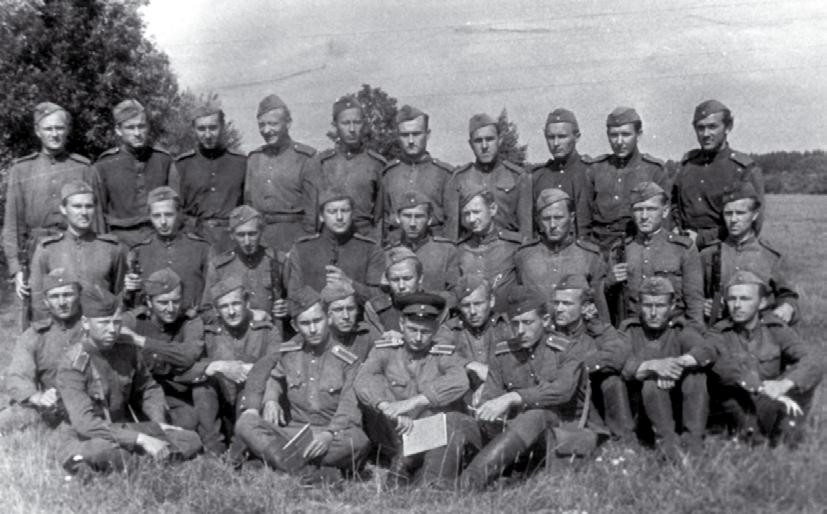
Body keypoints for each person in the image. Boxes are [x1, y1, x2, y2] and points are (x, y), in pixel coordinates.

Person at [57, 286, 201, 479]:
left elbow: (148, 388)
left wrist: (158, 424)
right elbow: (85, 424)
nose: (112, 330)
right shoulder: (73, 364)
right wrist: (141, 439)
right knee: (103, 450)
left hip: (125, 428)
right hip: (89, 436)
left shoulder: (127, 350)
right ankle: (136, 460)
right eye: (104, 323)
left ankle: (123, 464)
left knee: (191, 439)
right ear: (85, 323)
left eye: (116, 323)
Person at [235, 287, 370, 485]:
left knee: (358, 442)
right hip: (294, 432)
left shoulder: (348, 360)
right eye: (306, 323)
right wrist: (271, 399)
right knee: (245, 424)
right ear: (295, 326)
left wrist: (328, 434)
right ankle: (311, 472)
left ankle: (278, 465)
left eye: (318, 321)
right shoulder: (289, 352)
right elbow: (274, 376)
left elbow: (349, 407)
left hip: (332, 435)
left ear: (328, 318)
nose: (313, 329)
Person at [461, 286, 585, 490]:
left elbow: (563, 391)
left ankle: (470, 482)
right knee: (458, 421)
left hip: (559, 433)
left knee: (535, 415)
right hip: (512, 435)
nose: (520, 331)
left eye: (527, 323)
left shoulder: (566, 349)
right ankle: (433, 479)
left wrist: (513, 397)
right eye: (515, 324)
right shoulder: (503, 353)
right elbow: (490, 397)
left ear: (545, 321)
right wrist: (488, 411)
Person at [354, 293, 479, 488]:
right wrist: (386, 406)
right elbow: (364, 379)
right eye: (412, 330)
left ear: (436, 329)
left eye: (426, 332)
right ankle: (408, 470)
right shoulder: (385, 351)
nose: (418, 338)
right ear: (401, 324)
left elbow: (459, 380)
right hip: (395, 437)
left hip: (435, 440)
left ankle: (412, 472)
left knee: (448, 426)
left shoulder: (443, 353)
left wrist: (414, 402)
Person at [3, 102, 104, 329]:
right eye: (48, 129)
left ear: (67, 130)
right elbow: (12, 225)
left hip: (75, 248)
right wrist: (16, 269)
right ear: (38, 131)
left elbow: (97, 222)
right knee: (39, 316)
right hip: (36, 252)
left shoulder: (84, 168)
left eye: (59, 128)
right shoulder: (21, 169)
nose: (55, 134)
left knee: (79, 313)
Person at [709, 271, 822, 448]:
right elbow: (725, 368)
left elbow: (813, 359)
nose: (737, 305)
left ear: (761, 303)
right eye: (732, 299)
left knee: (802, 375)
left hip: (771, 400)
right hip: (738, 405)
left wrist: (784, 384)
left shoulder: (775, 328)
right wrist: (761, 388)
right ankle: (750, 437)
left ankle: (786, 435)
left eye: (745, 299)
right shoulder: (718, 333)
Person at [179, 277, 281, 456]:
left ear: (247, 302)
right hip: (220, 405)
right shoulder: (208, 333)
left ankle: (238, 454)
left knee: (250, 386)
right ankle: (214, 451)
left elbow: (278, 361)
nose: (231, 312)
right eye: (224, 307)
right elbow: (187, 365)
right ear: (217, 310)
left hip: (250, 404)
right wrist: (217, 366)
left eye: (236, 304)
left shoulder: (266, 331)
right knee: (203, 387)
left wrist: (254, 369)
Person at [620, 277, 716, 460]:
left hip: (677, 409)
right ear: (639, 306)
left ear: (672, 306)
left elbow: (705, 350)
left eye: (660, 305)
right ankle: (668, 447)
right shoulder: (630, 330)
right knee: (651, 382)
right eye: (648, 305)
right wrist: (654, 367)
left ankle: (693, 445)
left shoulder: (681, 329)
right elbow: (622, 363)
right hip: (641, 413)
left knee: (696, 376)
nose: (654, 313)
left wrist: (674, 365)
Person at [119, 268, 208, 441]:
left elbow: (187, 355)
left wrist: (142, 341)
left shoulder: (190, 322)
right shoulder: (133, 320)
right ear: (149, 302)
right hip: (137, 392)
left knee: (188, 420)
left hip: (173, 392)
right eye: (163, 302)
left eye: (176, 301)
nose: (171, 309)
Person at [671, 100, 765, 250]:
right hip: (685, 250)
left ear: (728, 127)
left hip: (724, 251)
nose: (706, 134)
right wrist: (676, 230)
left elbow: (753, 223)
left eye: (712, 127)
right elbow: (674, 206)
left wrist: (703, 238)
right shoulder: (687, 165)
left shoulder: (743, 169)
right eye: (700, 128)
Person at [699, 181, 798, 325]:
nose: (733, 220)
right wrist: (703, 306)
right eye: (728, 213)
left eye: (740, 213)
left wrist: (788, 307)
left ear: (754, 215)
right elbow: (690, 296)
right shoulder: (708, 255)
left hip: (761, 331)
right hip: (720, 331)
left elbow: (788, 296)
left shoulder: (770, 256)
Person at [548, 276, 632, 443]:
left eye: (567, 304)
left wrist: (580, 366)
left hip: (591, 397)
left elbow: (616, 356)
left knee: (612, 381)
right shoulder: (547, 331)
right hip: (558, 399)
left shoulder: (596, 329)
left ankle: (624, 440)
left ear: (585, 307)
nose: (559, 309)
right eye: (556, 303)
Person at [29, 180, 126, 320]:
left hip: (99, 328)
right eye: (77, 206)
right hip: (62, 329)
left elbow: (119, 293)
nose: (84, 212)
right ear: (63, 209)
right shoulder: (47, 249)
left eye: (89, 206)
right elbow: (38, 298)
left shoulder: (112, 248)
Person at [0, 268, 82, 433]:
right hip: (54, 408)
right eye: (54, 296)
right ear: (45, 301)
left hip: (93, 405)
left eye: (67, 295)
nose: (62, 302)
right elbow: (17, 376)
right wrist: (37, 397)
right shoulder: (34, 335)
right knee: (7, 420)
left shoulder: (95, 328)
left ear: (79, 295)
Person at [609, 181, 704, 325]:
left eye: (651, 209)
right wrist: (609, 282)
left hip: (672, 330)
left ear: (665, 211)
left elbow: (694, 302)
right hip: (633, 331)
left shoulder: (683, 248)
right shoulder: (620, 250)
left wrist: (694, 334)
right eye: (639, 209)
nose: (644, 216)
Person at [94, 99, 180, 247]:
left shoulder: (163, 160)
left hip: (158, 238)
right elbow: (98, 211)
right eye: (130, 128)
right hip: (120, 240)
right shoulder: (103, 165)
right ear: (118, 130)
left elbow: (177, 205)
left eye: (141, 126)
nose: (137, 133)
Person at [515, 188, 609, 319]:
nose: (553, 225)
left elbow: (601, 309)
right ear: (538, 221)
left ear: (571, 218)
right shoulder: (524, 256)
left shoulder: (589, 256)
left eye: (558, 218)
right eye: (546, 219)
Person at [584, 107, 669, 251]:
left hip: (637, 245)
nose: (619, 141)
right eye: (614, 135)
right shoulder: (595, 169)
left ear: (639, 134)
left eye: (626, 134)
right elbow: (584, 218)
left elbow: (664, 220)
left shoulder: (654, 170)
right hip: (599, 247)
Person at [244, 94, 317, 253]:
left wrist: (306, 245)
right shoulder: (254, 159)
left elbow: (313, 212)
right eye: (262, 125)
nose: (266, 130)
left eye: (273, 124)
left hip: (294, 239)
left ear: (288, 123)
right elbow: (248, 204)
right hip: (259, 241)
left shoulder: (306, 158)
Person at [285, 188, 385, 302]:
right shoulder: (302, 249)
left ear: (352, 214)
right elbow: (293, 294)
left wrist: (351, 285)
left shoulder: (369, 249)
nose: (339, 217)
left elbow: (379, 296)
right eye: (332, 211)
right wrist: (321, 300)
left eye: (345, 210)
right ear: (321, 216)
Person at [444, 113, 532, 241]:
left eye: (490, 139)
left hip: (508, 252)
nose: (484, 146)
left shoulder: (518, 177)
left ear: (499, 140)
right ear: (471, 144)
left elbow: (526, 232)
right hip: (471, 251)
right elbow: (452, 233)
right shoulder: (459, 179)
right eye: (478, 141)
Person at [309, 95, 386, 238]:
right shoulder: (321, 163)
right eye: (345, 123)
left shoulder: (376, 164)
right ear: (335, 125)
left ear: (364, 124)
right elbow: (312, 211)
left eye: (357, 122)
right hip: (328, 237)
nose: (352, 129)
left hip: (364, 237)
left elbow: (380, 215)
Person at [126, 186, 211, 313]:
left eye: (169, 214)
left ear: (179, 214)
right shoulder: (139, 251)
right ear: (149, 217)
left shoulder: (201, 248)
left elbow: (210, 295)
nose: (163, 222)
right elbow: (130, 301)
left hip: (191, 322)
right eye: (157, 216)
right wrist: (128, 289)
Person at [176, 104, 246, 253]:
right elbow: (176, 208)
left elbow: (249, 204)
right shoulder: (181, 165)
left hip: (232, 240)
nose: (207, 135)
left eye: (213, 128)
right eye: (201, 129)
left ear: (222, 127)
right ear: (193, 130)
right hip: (194, 239)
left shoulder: (241, 163)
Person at [202, 205, 286, 327]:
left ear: (261, 232)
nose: (247, 242)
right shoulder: (219, 267)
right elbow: (206, 311)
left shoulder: (278, 261)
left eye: (252, 234)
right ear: (232, 235)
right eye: (241, 235)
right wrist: (247, 314)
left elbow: (299, 302)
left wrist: (287, 308)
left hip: (270, 334)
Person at [438, 277, 512, 407]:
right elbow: (439, 357)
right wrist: (470, 364)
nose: (472, 312)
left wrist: (489, 385)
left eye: (478, 304)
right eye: (466, 305)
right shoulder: (449, 330)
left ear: (492, 301)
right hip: (462, 400)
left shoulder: (506, 327)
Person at [382, 105, 452, 241]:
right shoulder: (388, 174)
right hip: (397, 245)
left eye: (416, 134)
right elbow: (382, 219)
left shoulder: (444, 174)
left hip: (435, 245)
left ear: (428, 134)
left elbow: (452, 221)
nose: (411, 141)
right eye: (405, 135)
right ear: (397, 136)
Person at [530, 108, 592, 237]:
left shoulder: (590, 172)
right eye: (551, 137)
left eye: (562, 136)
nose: (556, 143)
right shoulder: (537, 177)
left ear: (577, 137)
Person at [456, 187, 520, 309]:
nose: (471, 219)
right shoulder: (460, 249)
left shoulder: (514, 245)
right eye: (466, 214)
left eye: (476, 212)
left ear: (492, 209)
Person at [384, 190, 458, 291]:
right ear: (397, 218)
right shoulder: (388, 253)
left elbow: (454, 292)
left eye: (419, 216)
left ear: (429, 219)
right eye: (407, 216)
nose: (413, 223)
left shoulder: (447, 251)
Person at [364, 246, 425, 333]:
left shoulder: (437, 307)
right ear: (387, 280)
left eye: (407, 279)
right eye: (395, 280)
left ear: (420, 278)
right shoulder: (376, 308)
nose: (401, 286)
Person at [320, 281, 377, 362]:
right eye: (338, 310)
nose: (346, 316)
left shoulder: (368, 334)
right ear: (326, 313)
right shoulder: (315, 337)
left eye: (350, 309)